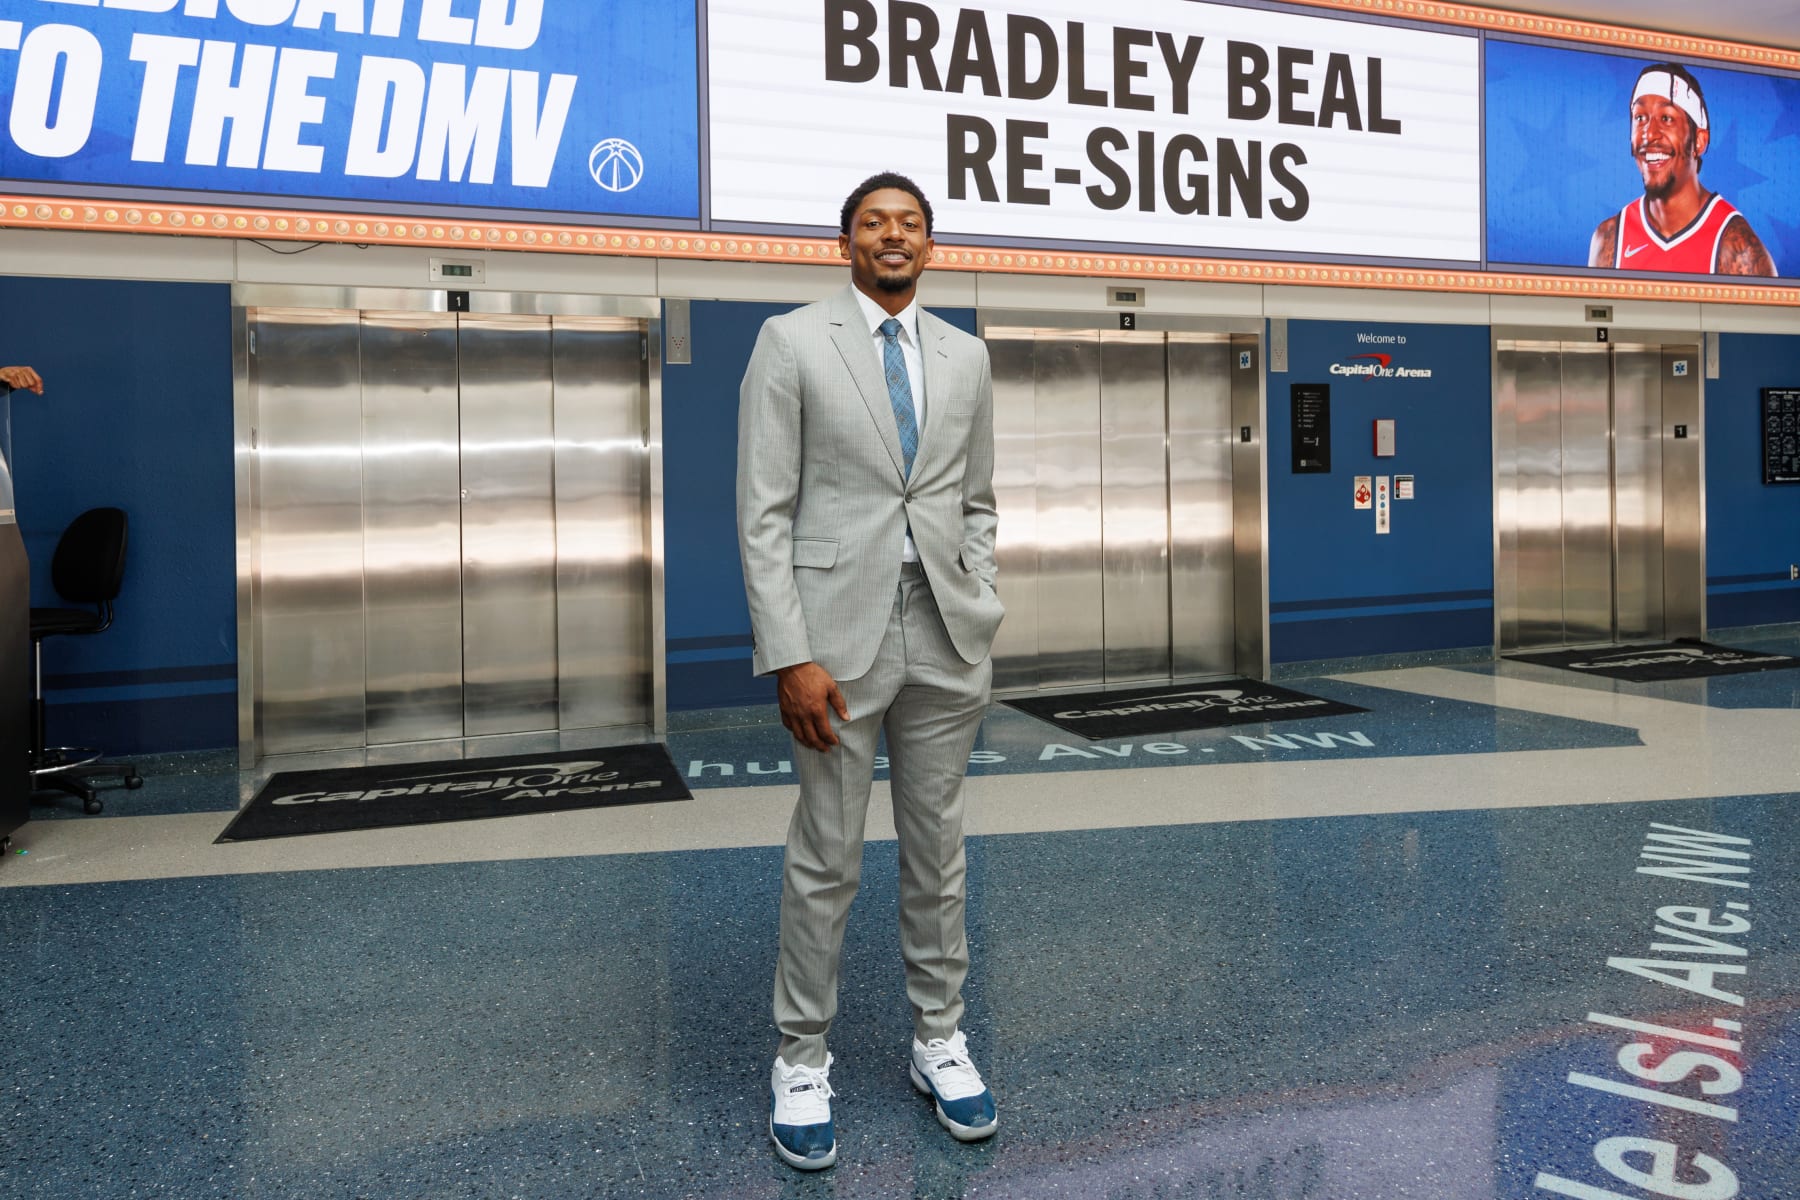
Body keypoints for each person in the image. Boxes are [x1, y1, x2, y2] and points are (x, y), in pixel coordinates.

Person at [736, 172, 1004, 1171]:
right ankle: (801, 1059)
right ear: (845, 240)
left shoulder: (966, 356)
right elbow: (764, 509)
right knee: (828, 858)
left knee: (941, 853)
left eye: (910, 224)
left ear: (930, 244)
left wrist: (980, 584)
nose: (893, 237)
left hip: (946, 630)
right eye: (873, 223)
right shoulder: (792, 342)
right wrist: (789, 652)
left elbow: (978, 496)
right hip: (834, 643)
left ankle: (940, 1041)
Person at [1589, 62, 1776, 276]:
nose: (1649, 134)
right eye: (1640, 118)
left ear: (1699, 141)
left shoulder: (1737, 248)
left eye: (1666, 118)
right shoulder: (1609, 239)